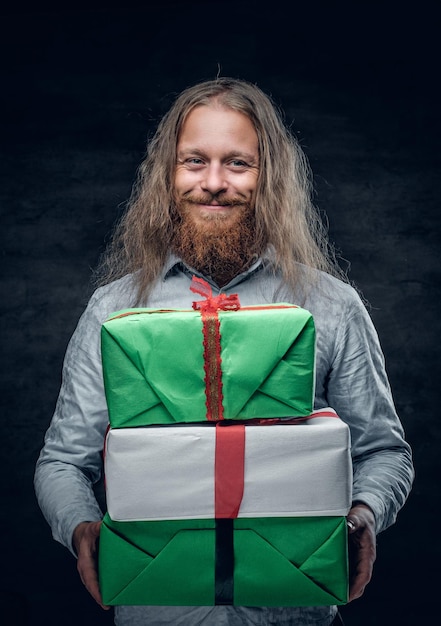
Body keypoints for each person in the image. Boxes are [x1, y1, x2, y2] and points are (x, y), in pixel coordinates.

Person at [34, 77, 414, 626]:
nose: (213, 183)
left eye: (238, 163)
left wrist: (363, 516)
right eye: (194, 161)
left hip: (292, 612)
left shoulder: (333, 306)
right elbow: (63, 461)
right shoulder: (111, 309)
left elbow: (384, 451)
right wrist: (81, 527)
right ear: (168, 174)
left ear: (270, 178)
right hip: (156, 611)